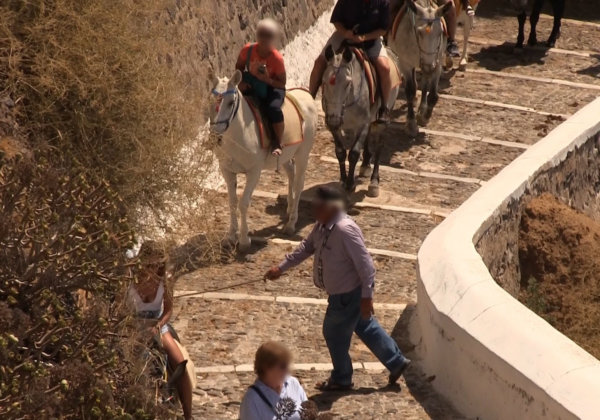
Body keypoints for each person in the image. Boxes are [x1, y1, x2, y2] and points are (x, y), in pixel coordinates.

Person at [264, 187, 411, 391]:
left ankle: (342, 378)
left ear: (332, 208)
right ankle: (396, 361)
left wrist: (367, 298)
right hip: (346, 294)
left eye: (319, 207)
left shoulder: (344, 230)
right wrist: (280, 268)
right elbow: (306, 247)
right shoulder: (322, 226)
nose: (315, 211)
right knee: (365, 326)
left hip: (346, 295)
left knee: (333, 333)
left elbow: (366, 267)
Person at [128, 241, 193, 420]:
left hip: (157, 324)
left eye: (157, 264)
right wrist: (133, 326)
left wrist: (157, 325)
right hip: (132, 325)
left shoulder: (166, 279)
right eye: (149, 264)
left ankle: (188, 414)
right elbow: (119, 310)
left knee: (180, 362)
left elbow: (168, 310)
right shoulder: (129, 277)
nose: (153, 268)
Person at [308, 0, 393, 124]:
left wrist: (364, 37)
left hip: (370, 40)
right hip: (343, 36)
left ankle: (384, 108)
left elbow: (383, 30)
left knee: (385, 68)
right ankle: (310, 101)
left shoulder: (383, 2)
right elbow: (336, 20)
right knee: (319, 63)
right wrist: (345, 32)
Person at [236, 18, 286, 156]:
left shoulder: (277, 59)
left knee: (273, 108)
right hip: (252, 83)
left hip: (272, 86)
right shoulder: (247, 50)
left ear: (273, 38)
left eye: (268, 36)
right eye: (261, 35)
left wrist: (267, 79)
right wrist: (240, 83)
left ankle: (278, 141)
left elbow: (282, 84)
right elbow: (239, 67)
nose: (264, 39)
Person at [240, 342, 308, 420]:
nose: (288, 369)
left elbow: (308, 414)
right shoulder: (251, 400)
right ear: (267, 369)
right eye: (283, 366)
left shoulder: (293, 384)